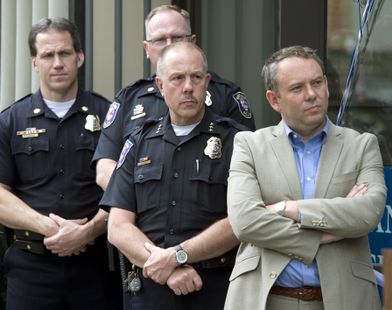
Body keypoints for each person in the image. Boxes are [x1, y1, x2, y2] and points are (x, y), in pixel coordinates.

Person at [224, 45, 387, 310]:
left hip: (342, 300)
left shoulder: (362, 146)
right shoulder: (250, 146)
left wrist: (288, 209)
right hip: (266, 298)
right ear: (274, 100)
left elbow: (367, 213)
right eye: (297, 88)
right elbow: (245, 222)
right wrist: (322, 234)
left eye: (317, 82)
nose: (312, 94)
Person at [101, 41, 243, 310]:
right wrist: (168, 268)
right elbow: (118, 227)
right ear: (161, 85)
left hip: (216, 287)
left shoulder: (236, 141)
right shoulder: (138, 141)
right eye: (177, 78)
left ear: (207, 82)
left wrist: (178, 255)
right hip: (151, 290)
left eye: (196, 77)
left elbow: (241, 220)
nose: (188, 87)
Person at [0, 17, 122, 310]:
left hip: (95, 268)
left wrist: (88, 231)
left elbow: (125, 190)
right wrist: (50, 229)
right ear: (34, 62)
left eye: (65, 53)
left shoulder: (109, 118)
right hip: (31, 268)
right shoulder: (10, 121)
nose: (57, 63)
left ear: (79, 57)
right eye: (47, 55)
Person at [93, 4, 255, 191]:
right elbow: (105, 170)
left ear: (193, 41)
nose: (169, 45)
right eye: (160, 39)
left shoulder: (226, 95)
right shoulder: (128, 99)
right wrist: (146, 205)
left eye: (178, 37)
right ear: (147, 48)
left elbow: (248, 166)